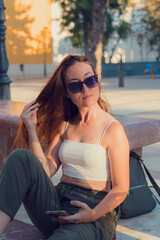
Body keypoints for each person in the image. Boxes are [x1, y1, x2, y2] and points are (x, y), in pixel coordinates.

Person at [0, 55, 129, 240]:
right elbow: (45, 171)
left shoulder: (113, 129)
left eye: (90, 80)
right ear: (67, 92)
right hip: (58, 205)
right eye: (75, 85)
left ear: (97, 81)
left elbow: (121, 189)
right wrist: (31, 129)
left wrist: (91, 214)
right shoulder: (66, 125)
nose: (85, 89)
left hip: (94, 213)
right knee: (20, 157)